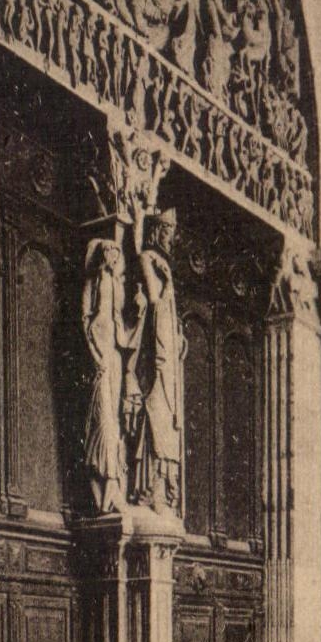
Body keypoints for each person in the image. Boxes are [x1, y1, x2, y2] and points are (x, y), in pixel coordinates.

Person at [130, 204, 185, 513]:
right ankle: (150, 490)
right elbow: (154, 297)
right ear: (156, 231)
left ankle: (163, 491)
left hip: (168, 352)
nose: (170, 237)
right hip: (156, 356)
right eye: (166, 230)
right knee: (156, 415)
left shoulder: (164, 265)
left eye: (172, 232)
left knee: (169, 421)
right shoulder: (152, 260)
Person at [82, 238, 139, 514]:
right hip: (100, 352)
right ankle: (107, 483)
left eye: (116, 252)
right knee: (103, 419)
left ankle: (113, 489)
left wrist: (138, 312)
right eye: (108, 251)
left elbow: (121, 323)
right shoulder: (94, 281)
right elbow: (85, 319)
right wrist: (94, 357)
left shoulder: (118, 283)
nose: (112, 256)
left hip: (114, 351)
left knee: (115, 420)